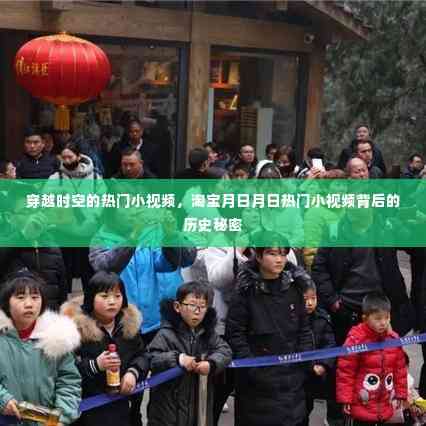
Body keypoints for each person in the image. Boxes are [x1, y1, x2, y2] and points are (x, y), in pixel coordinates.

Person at [226, 231, 313, 426]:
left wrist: (303, 362)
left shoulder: (294, 288)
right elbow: (235, 334)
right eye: (272, 254)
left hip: (292, 377)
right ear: (258, 256)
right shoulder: (245, 290)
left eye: (282, 254)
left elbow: (304, 329)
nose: (279, 259)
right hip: (257, 382)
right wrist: (253, 369)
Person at [61, 271, 149, 426]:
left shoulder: (129, 326)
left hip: (125, 410)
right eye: (104, 296)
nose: (112, 301)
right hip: (89, 413)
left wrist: (133, 372)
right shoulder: (75, 330)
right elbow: (66, 370)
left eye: (117, 296)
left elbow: (143, 355)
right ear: (91, 297)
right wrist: (95, 365)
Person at [0, 270, 81, 425]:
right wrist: (3, 399)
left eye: (35, 297)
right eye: (20, 297)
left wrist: (61, 418)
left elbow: (69, 382)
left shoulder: (57, 337)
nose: (29, 304)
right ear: (6, 302)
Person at [147, 281, 232, 426]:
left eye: (202, 306)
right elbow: (152, 358)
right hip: (168, 412)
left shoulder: (208, 334)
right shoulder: (165, 334)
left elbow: (225, 350)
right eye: (192, 305)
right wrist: (178, 359)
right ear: (177, 307)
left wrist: (211, 364)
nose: (197, 311)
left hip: (199, 409)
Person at [336, 293, 407, 425]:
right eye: (378, 319)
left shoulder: (394, 339)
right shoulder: (356, 340)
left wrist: (401, 393)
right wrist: (345, 398)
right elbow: (345, 372)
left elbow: (400, 370)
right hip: (361, 405)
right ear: (365, 318)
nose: (383, 322)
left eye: (387, 317)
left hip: (384, 405)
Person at [302, 280, 336, 426]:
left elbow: (330, 344)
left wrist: (323, 364)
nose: (310, 303)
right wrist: (310, 366)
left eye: (313, 298)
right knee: (299, 412)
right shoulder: (292, 320)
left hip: (315, 376)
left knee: (308, 407)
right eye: (305, 299)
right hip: (297, 376)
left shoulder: (322, 318)